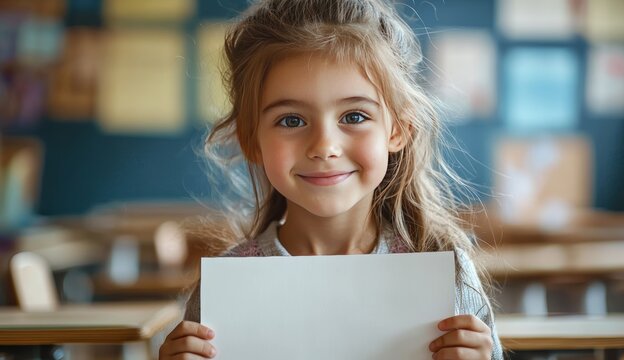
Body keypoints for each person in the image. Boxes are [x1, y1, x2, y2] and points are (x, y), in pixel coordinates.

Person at [160, 0, 503, 358]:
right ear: (251, 140)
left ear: (399, 130)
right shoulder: (223, 293)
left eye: (354, 116)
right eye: (291, 120)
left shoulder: (447, 272)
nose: (324, 146)